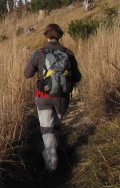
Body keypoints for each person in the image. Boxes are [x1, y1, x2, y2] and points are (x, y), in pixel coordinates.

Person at [24, 23, 82, 172]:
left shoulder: (39, 53)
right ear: (60, 35)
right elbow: (77, 76)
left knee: (46, 128)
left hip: (43, 96)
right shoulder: (67, 53)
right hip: (62, 97)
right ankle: (57, 149)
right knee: (56, 125)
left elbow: (27, 74)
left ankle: (51, 162)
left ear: (46, 35)